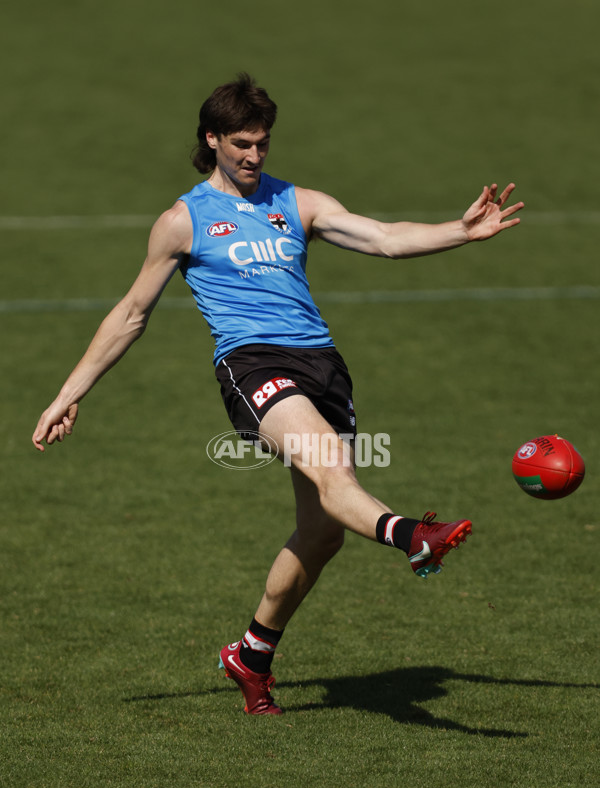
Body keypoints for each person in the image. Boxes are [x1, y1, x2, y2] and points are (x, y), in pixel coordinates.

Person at [32, 73, 524, 716]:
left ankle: (251, 654)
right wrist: (69, 394)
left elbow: (382, 237)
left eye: (262, 143)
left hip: (322, 364)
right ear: (211, 139)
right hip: (253, 363)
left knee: (322, 532)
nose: (254, 156)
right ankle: (413, 535)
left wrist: (460, 231)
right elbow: (130, 314)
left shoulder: (298, 202)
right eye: (240, 143)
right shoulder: (183, 221)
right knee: (329, 472)